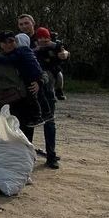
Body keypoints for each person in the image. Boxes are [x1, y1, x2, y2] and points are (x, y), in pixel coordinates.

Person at [0, 32, 41, 142]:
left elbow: (40, 72)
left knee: (27, 136)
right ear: (0, 44)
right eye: (4, 42)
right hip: (9, 103)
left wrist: (39, 82)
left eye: (11, 41)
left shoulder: (25, 54)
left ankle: (26, 158)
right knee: (10, 135)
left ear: (15, 41)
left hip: (27, 101)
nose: (8, 44)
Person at [18, 14, 71, 100]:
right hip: (29, 77)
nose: (24, 26)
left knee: (53, 81)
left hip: (49, 72)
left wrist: (65, 54)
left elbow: (62, 49)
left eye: (26, 23)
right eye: (21, 24)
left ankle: (57, 93)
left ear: (33, 23)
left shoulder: (44, 35)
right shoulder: (18, 40)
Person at [33, 27, 65, 169]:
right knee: (29, 122)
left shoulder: (54, 45)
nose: (43, 40)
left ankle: (51, 156)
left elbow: (63, 53)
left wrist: (64, 53)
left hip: (50, 85)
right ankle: (25, 155)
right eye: (40, 38)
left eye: (46, 38)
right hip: (32, 89)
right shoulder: (25, 43)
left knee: (49, 121)